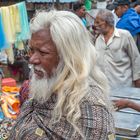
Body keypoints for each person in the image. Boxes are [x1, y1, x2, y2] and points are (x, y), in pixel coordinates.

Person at [9, 10, 115, 139]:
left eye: (43, 53)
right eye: (32, 50)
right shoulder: (46, 86)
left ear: (69, 57)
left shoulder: (93, 109)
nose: (32, 59)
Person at [94, 9, 140, 89]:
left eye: (98, 22)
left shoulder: (124, 35)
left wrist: (137, 80)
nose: (95, 25)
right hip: (104, 88)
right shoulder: (98, 39)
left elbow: (135, 58)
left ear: (107, 22)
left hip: (123, 86)